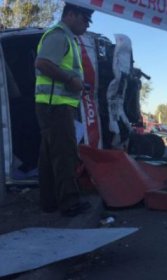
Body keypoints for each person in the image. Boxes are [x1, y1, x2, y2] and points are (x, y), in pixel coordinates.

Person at [34, 3, 93, 217]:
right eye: (84, 19)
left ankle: (49, 202)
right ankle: (69, 203)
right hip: (54, 105)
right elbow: (42, 63)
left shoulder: (68, 38)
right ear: (70, 15)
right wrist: (71, 80)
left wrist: (76, 83)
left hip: (54, 104)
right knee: (64, 152)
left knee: (50, 154)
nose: (86, 24)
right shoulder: (59, 35)